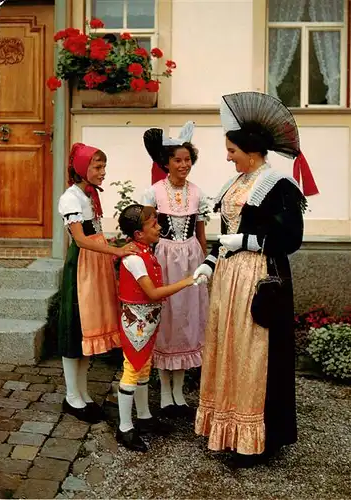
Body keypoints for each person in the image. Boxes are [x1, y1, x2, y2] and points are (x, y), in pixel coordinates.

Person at [193, 92, 319, 463]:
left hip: (259, 278)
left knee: (254, 353)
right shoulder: (234, 184)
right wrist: (212, 260)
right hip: (230, 279)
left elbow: (290, 238)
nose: (227, 156)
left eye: (231, 149)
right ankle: (228, 427)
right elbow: (226, 231)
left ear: (250, 150)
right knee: (229, 349)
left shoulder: (278, 186)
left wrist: (246, 240)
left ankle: (257, 439)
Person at [58, 142, 138, 423]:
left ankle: (82, 391)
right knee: (76, 328)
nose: (103, 172)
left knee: (89, 330)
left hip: (95, 264)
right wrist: (115, 251)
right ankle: (71, 395)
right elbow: (80, 239)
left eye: (103, 166)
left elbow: (96, 235)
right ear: (82, 168)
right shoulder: (71, 198)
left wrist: (117, 246)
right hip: (81, 267)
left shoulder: (89, 195)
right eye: (97, 166)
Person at [116, 204, 201, 452]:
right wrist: (186, 281)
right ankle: (124, 427)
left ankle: (143, 417)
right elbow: (152, 292)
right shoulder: (134, 259)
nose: (160, 227)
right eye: (153, 225)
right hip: (137, 323)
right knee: (132, 368)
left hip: (147, 321)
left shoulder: (146, 252)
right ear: (138, 234)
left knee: (143, 368)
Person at [141, 122, 209, 419]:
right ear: (166, 163)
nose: (184, 165)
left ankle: (179, 391)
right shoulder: (154, 193)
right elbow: (146, 229)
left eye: (187, 160)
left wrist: (206, 261)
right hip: (165, 258)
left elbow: (202, 232)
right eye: (178, 160)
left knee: (187, 319)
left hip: (191, 258)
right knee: (167, 319)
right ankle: (165, 391)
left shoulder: (197, 193)